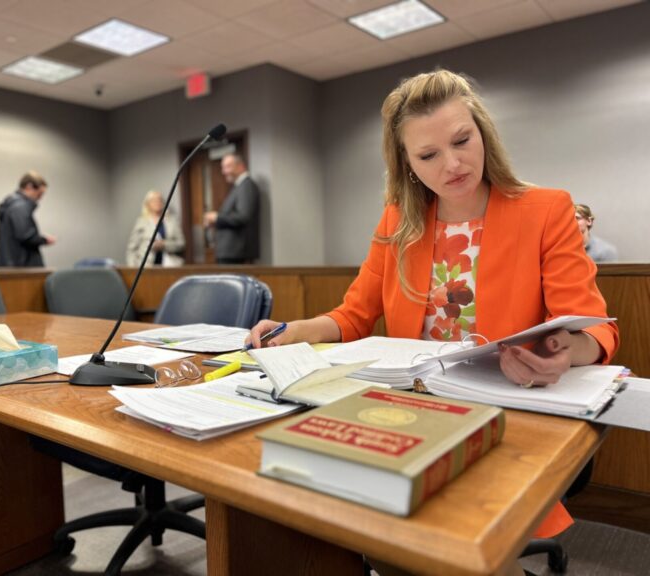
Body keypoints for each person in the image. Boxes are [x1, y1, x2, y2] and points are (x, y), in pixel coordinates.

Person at [246, 69, 619, 564]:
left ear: (482, 131)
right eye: (428, 155)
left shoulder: (547, 210)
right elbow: (354, 316)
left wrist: (569, 352)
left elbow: (594, 325)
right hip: (412, 407)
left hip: (506, 408)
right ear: (406, 163)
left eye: (462, 140)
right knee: (330, 516)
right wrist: (294, 331)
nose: (454, 163)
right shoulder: (398, 220)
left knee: (459, 541)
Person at [204, 153, 260, 264]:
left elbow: (243, 216)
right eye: (223, 167)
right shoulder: (238, 186)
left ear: (240, 166)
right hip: (230, 253)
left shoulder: (246, 186)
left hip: (236, 253)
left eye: (227, 167)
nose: (224, 172)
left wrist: (217, 217)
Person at [0, 171, 56, 267]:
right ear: (29, 186)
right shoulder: (20, 207)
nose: (40, 199)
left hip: (11, 265)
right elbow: (25, 236)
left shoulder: (12, 206)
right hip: (22, 267)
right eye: (39, 194)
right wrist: (44, 239)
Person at [125, 190, 185, 267]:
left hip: (170, 265)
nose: (157, 202)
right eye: (154, 200)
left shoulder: (171, 221)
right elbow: (131, 248)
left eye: (160, 200)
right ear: (147, 204)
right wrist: (133, 267)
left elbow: (181, 243)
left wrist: (164, 245)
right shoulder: (141, 222)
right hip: (146, 266)